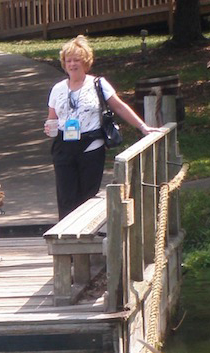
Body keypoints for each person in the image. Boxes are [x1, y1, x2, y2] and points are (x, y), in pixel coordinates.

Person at [44, 35, 159, 220]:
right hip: (63, 146)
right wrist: (50, 127)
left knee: (87, 195)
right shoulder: (57, 89)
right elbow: (52, 118)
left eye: (77, 60)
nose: (72, 64)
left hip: (91, 144)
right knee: (66, 196)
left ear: (86, 62)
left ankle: (86, 237)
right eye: (69, 60)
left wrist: (143, 127)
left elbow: (119, 106)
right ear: (64, 63)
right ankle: (66, 239)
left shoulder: (97, 84)